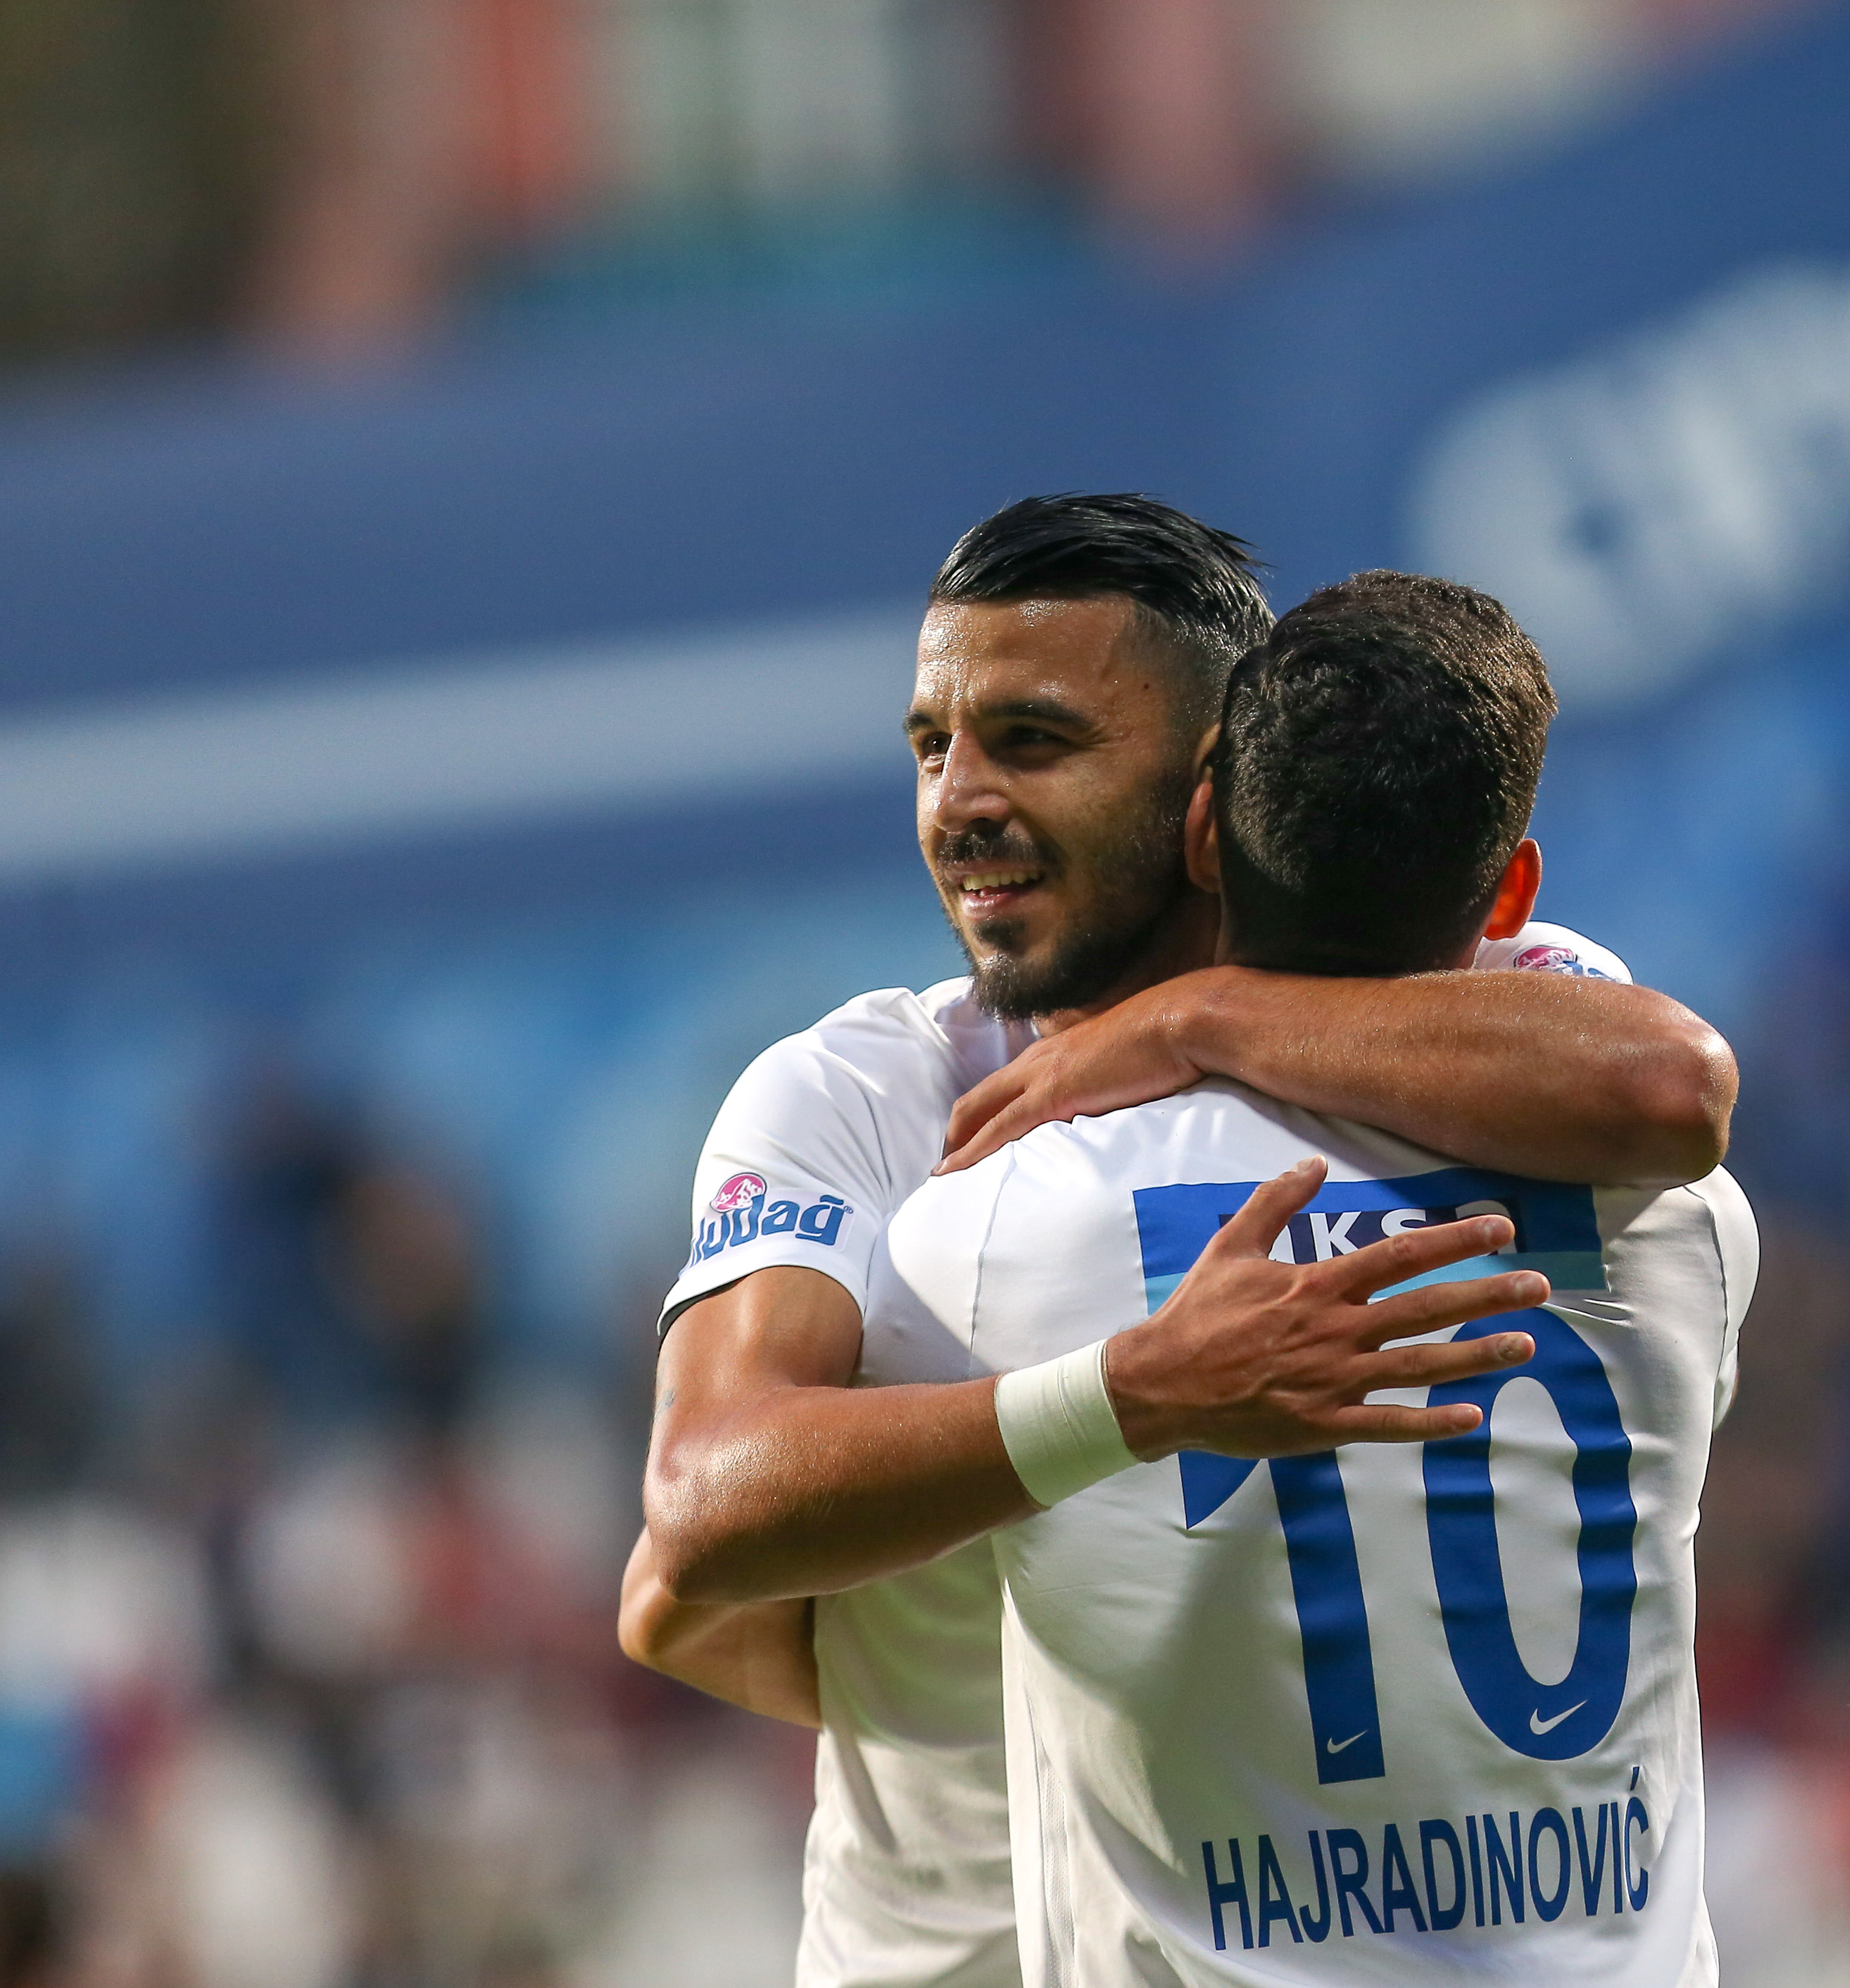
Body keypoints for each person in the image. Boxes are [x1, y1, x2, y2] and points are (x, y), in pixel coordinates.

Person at [619, 497, 1739, 1987]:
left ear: (1217, 789)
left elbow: (1670, 1088)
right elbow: (693, 1535)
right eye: (932, 746)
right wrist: (1000, 1634)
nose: (958, 801)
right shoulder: (863, 1095)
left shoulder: (1472, 1020)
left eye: (1034, 741)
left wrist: (1195, 1018)